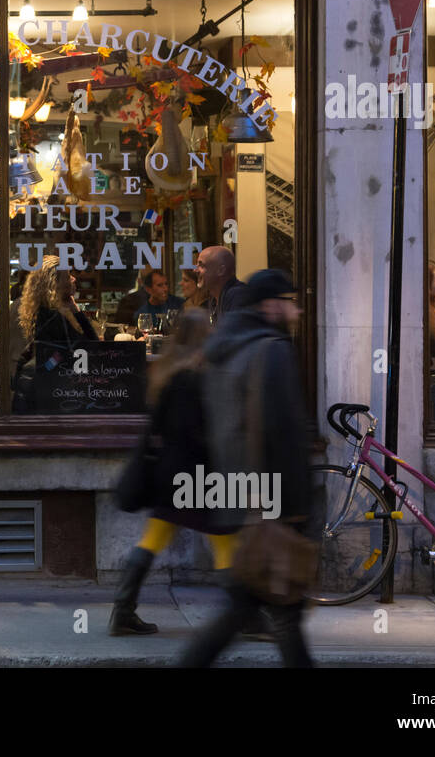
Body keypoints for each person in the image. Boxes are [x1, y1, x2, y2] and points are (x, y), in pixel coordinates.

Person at [181, 270, 315, 668]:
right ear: (271, 305)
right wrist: (295, 506)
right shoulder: (270, 350)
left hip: (239, 491)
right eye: (290, 300)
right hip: (269, 498)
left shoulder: (227, 348)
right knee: (278, 606)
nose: (298, 308)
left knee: (252, 605)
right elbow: (283, 433)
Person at [110, 311, 239, 636]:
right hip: (194, 477)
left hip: (171, 474)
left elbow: (161, 427)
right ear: (202, 336)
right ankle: (246, 614)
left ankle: (123, 611)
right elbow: (194, 433)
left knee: (153, 540)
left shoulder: (167, 371)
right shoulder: (192, 376)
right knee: (225, 541)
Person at [12, 255, 98, 412]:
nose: (73, 279)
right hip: (59, 395)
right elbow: (92, 346)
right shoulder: (54, 317)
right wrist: (78, 314)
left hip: (49, 391)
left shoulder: (44, 312)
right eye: (68, 275)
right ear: (56, 283)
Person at [113, 267, 185, 327]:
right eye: (160, 285)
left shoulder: (177, 303)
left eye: (166, 284)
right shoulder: (142, 314)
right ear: (148, 289)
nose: (165, 289)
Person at [195, 245, 246, 325]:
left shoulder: (238, 297)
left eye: (201, 265)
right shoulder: (213, 300)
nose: (195, 270)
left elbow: (232, 335)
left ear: (221, 270)